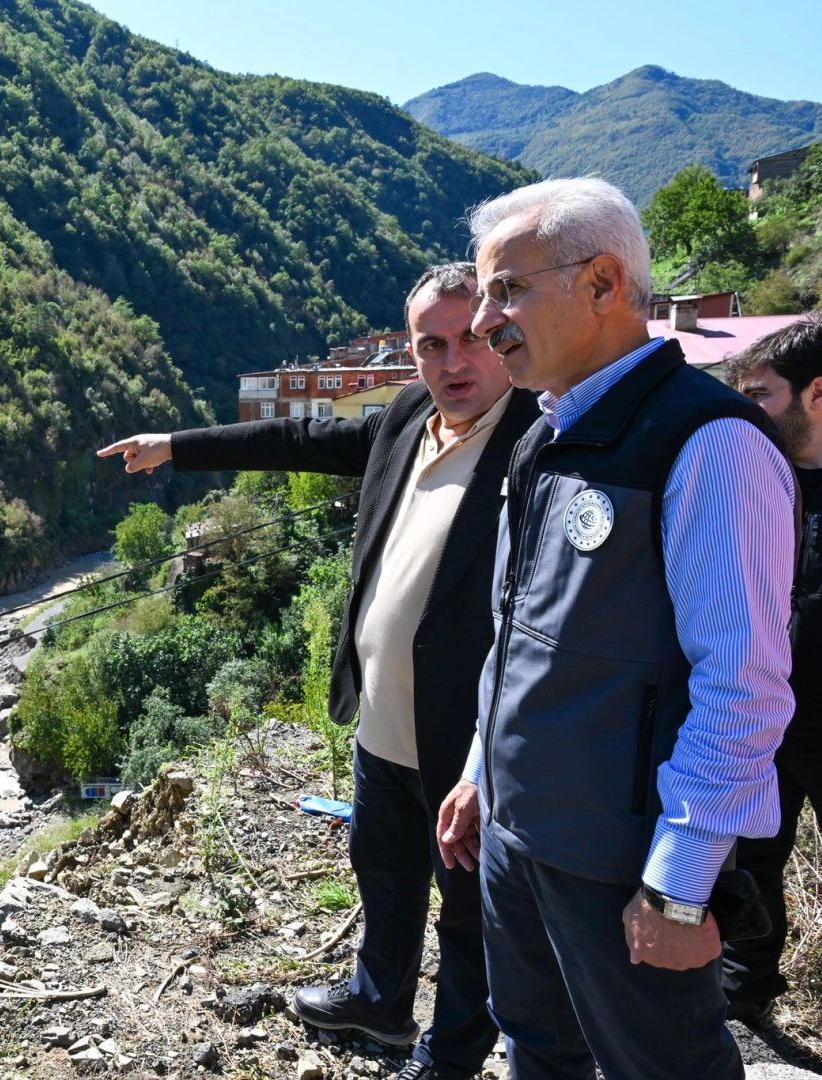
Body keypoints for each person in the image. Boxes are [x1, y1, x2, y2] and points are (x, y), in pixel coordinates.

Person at [100, 263, 540, 1080]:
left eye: (472, 339)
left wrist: (493, 757)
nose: (454, 363)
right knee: (384, 874)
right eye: (431, 345)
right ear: (412, 353)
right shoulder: (410, 415)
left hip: (469, 740)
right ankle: (379, 1003)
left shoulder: (535, 443)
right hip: (382, 721)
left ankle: (449, 1057)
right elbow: (299, 439)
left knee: (472, 916)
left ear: (500, 331)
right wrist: (176, 448)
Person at [433, 177, 796, 1080]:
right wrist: (485, 769)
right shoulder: (544, 435)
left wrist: (677, 886)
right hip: (522, 837)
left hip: (622, 859)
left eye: (508, 289)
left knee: (662, 1066)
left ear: (601, 284)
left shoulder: (709, 443)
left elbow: (742, 686)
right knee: (537, 1046)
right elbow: (516, 630)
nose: (483, 322)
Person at [721, 319, 822, 1023]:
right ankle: (743, 994)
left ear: (818, 392)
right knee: (744, 871)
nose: (746, 413)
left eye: (759, 396)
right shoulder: (755, 483)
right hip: (762, 722)